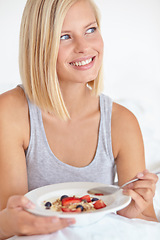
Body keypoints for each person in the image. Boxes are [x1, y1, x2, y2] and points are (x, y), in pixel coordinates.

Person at [0, 0, 158, 238]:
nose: (84, 47)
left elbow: (148, 224)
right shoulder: (11, 113)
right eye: (65, 36)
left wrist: (134, 211)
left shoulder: (122, 122)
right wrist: (9, 223)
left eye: (90, 30)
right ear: (39, 46)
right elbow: (8, 219)